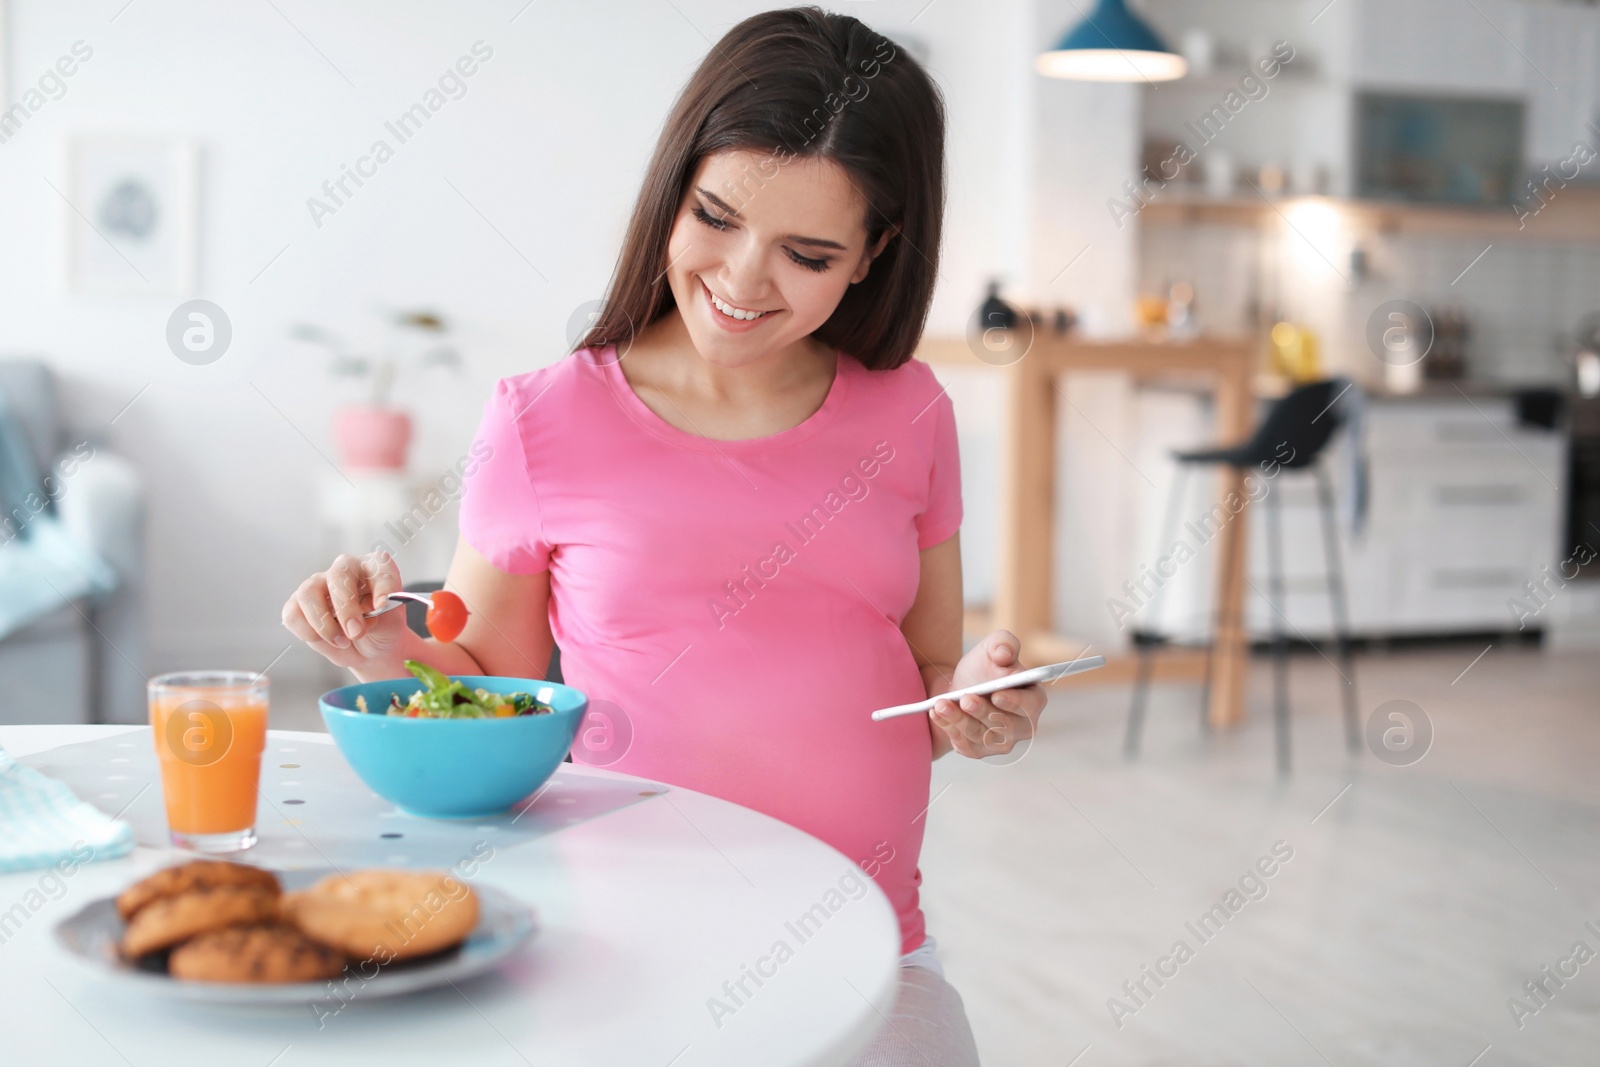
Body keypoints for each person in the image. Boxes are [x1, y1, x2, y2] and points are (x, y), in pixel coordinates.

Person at [282, 8, 1045, 1063]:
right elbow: (491, 689)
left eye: (807, 252)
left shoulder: (910, 411)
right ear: (673, 188)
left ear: (876, 252)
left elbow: (924, 681)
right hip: (631, 944)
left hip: (871, 936)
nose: (740, 280)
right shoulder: (543, 417)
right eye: (716, 217)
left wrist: (975, 709)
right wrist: (384, 652)